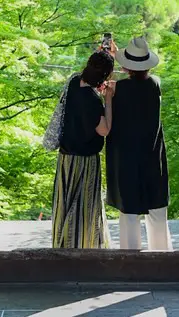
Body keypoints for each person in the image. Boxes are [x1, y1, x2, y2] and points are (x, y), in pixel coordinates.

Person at [106, 36, 171, 251]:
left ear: (126, 66)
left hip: (126, 157)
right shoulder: (155, 84)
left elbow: (113, 90)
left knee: (129, 211)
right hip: (152, 156)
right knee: (157, 210)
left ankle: (130, 257)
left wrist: (111, 57)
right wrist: (119, 57)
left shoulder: (118, 90)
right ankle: (162, 257)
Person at [52, 50, 115, 248]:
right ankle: (83, 245)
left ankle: (62, 244)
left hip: (65, 158)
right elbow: (104, 130)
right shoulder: (93, 100)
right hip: (85, 161)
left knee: (65, 203)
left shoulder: (73, 82)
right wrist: (108, 100)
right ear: (105, 76)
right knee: (85, 206)